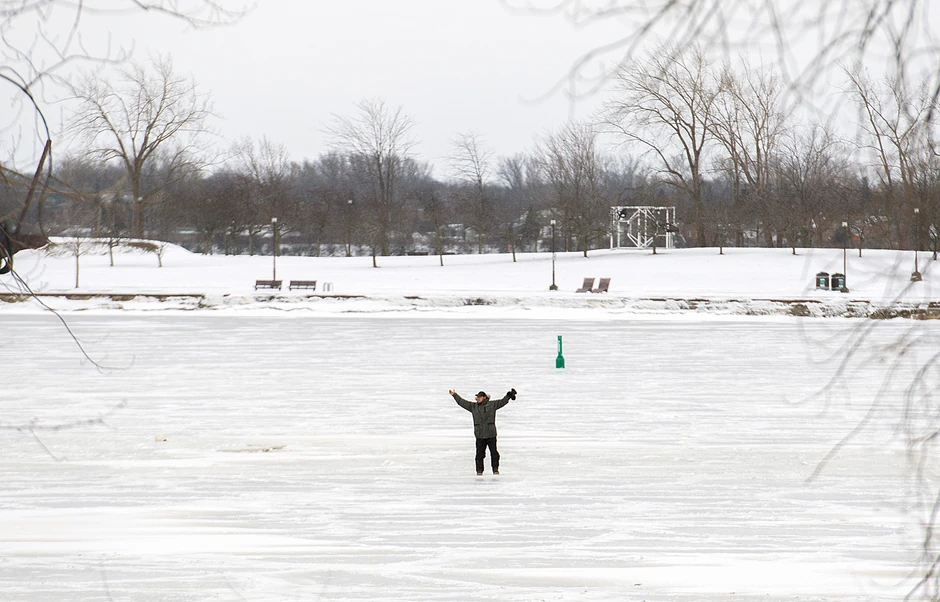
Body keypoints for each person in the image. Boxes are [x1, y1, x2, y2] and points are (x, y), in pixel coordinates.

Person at [449, 388, 516, 476]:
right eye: (477, 397)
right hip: (480, 435)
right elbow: (462, 402)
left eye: (479, 397)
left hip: (491, 434)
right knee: (479, 454)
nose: (478, 398)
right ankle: (479, 471)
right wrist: (454, 395)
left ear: (484, 397)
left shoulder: (492, 405)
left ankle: (495, 469)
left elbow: (502, 402)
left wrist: (508, 396)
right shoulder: (473, 406)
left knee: (494, 453)